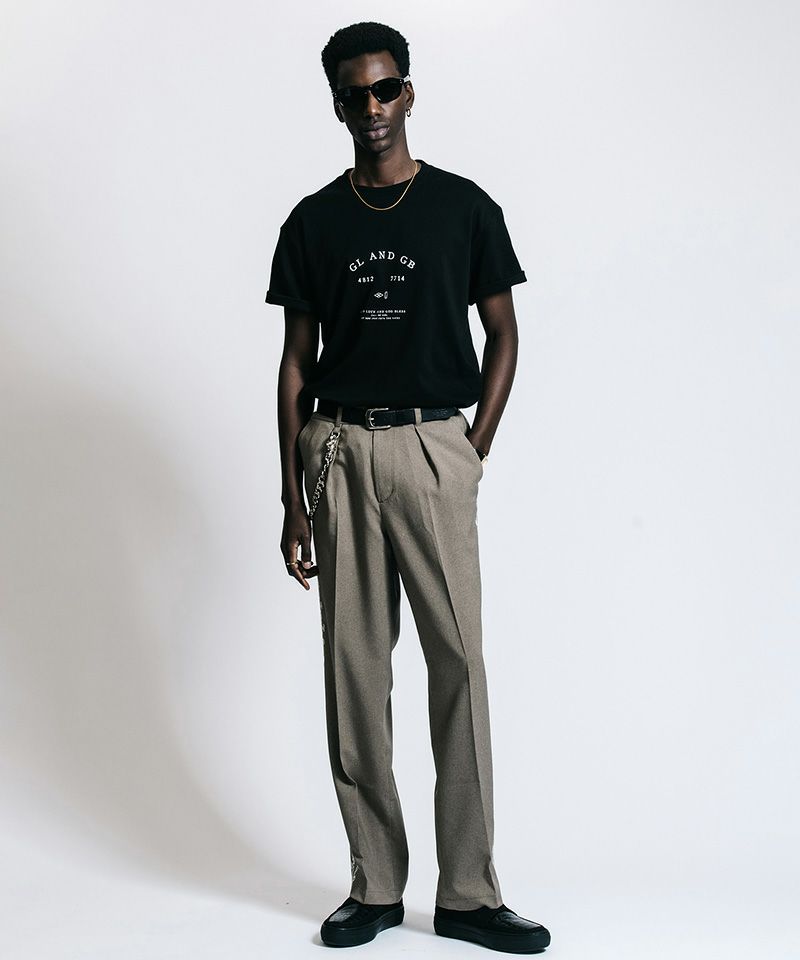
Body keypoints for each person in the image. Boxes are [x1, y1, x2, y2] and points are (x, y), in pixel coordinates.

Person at [265, 20, 551, 954]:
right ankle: (375, 885)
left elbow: (504, 333)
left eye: (386, 88)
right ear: (337, 106)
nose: (373, 107)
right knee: (356, 671)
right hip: (340, 451)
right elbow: (295, 363)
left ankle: (468, 892)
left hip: (434, 448)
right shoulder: (313, 222)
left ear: (410, 92)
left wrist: (472, 449)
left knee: (458, 663)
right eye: (356, 95)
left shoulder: (464, 208)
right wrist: (292, 495)